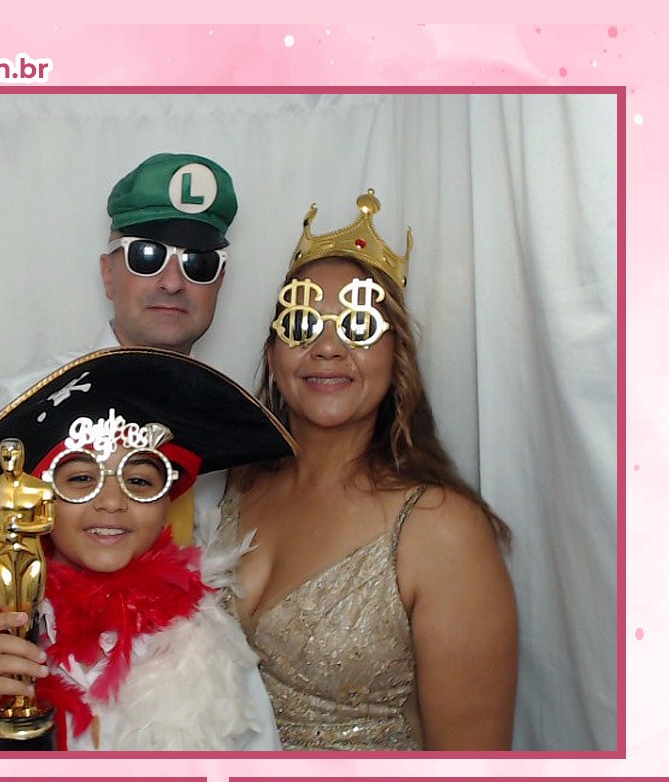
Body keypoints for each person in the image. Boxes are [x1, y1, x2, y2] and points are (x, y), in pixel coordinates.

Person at [0, 348, 293, 750]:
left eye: (139, 481)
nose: (112, 502)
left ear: (166, 503)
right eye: (80, 479)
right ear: (35, 501)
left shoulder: (211, 647)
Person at [219, 191, 517, 750]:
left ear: (396, 355)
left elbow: (472, 772)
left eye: (357, 326)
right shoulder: (233, 485)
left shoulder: (442, 528)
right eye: (303, 323)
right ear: (273, 355)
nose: (327, 348)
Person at [0, 153, 241, 530]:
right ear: (108, 274)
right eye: (147, 256)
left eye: (199, 263)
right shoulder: (22, 406)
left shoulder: (237, 429)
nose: (173, 282)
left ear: (219, 282)